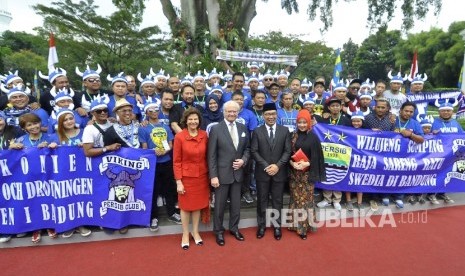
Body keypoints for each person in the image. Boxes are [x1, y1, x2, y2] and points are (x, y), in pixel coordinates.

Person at [9, 113, 56, 243]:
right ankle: (36, 228)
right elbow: (10, 159)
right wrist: (11, 148)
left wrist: (52, 147)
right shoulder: (20, 140)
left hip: (49, 177)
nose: (34, 126)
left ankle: (50, 225)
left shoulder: (51, 137)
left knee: (48, 201)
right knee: (34, 202)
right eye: (29, 125)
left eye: (36, 123)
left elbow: (61, 153)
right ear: (24, 128)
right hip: (29, 178)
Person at [208, 100, 250, 246]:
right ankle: (218, 232)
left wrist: (243, 160)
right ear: (224, 112)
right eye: (229, 111)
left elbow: (247, 149)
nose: (232, 114)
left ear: (238, 113)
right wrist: (213, 176)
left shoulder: (243, 127)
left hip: (238, 174)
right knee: (219, 206)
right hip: (221, 175)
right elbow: (211, 155)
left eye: (234, 111)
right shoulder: (216, 129)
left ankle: (234, 228)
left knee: (236, 205)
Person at [47, 109, 93, 238]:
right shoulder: (54, 137)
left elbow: (96, 147)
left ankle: (82, 224)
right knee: (67, 199)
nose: (69, 121)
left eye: (70, 118)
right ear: (60, 123)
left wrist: (86, 145)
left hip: (83, 173)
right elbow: (44, 154)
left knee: (82, 199)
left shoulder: (85, 133)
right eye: (65, 120)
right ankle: (69, 225)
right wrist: (49, 147)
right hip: (64, 175)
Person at [139, 100, 181, 234]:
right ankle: (153, 217)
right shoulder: (143, 127)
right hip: (152, 164)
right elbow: (144, 148)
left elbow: (170, 143)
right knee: (153, 191)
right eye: (150, 110)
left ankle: (172, 213)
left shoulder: (165, 126)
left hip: (166, 161)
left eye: (156, 110)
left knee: (170, 189)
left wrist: (165, 150)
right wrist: (153, 152)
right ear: (146, 113)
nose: (154, 112)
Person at [251, 103, 291, 240]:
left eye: (273, 114)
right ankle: (261, 226)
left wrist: (278, 166)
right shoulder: (257, 131)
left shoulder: (284, 130)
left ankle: (277, 226)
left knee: (277, 201)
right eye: (268, 114)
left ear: (277, 115)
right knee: (261, 200)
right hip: (263, 172)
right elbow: (254, 151)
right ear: (263, 116)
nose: (271, 117)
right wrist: (267, 166)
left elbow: (287, 151)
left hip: (279, 172)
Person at [173, 108, 210, 250]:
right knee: (185, 207)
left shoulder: (204, 135)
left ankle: (195, 232)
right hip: (186, 178)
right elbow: (176, 161)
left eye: (196, 119)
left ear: (199, 121)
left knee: (198, 206)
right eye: (190, 119)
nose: (193, 121)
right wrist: (178, 181)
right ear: (186, 121)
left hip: (201, 176)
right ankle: (185, 234)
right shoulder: (180, 137)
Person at [288, 109, 326, 239]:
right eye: (300, 122)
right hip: (294, 174)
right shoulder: (293, 136)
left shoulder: (313, 137)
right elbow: (288, 154)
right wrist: (292, 164)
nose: (302, 125)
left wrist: (307, 164)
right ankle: (294, 224)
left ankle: (303, 228)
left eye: (305, 122)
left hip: (307, 175)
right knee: (295, 200)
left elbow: (318, 157)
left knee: (305, 202)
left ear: (309, 122)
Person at [0, 111, 22, 243]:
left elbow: (26, 147)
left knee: (13, 199)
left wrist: (16, 147)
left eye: (0, 119)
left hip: (13, 172)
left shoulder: (15, 131)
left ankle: (15, 228)